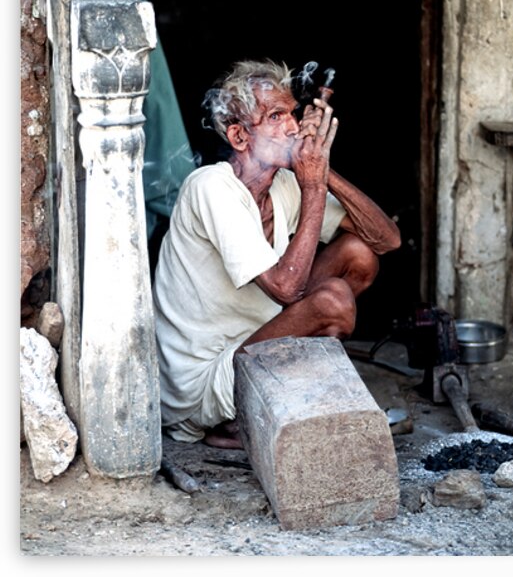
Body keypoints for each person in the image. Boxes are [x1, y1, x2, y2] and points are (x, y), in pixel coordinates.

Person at [153, 60, 401, 448]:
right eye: (275, 116)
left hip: (255, 344)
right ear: (239, 137)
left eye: (292, 114)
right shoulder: (212, 187)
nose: (293, 127)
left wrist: (321, 170)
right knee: (333, 302)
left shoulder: (285, 184)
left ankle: (279, 401)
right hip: (203, 387)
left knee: (358, 254)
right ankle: (242, 418)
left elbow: (387, 240)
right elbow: (286, 289)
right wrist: (315, 187)